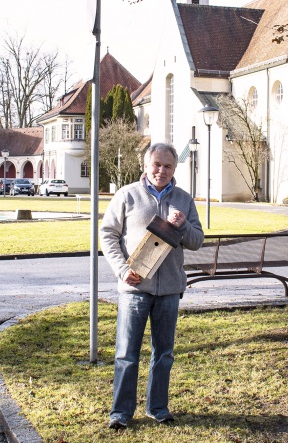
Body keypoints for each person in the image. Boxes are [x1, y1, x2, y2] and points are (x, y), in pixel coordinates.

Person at [101, 142, 204, 430]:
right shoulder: (127, 195)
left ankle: (157, 408)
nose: (161, 170)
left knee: (164, 353)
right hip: (134, 289)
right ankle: (121, 413)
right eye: (156, 164)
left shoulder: (184, 199)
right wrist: (122, 270)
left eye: (167, 166)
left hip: (169, 290)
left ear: (174, 169)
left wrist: (183, 225)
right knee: (126, 353)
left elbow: (197, 241)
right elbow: (108, 235)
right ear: (146, 166)